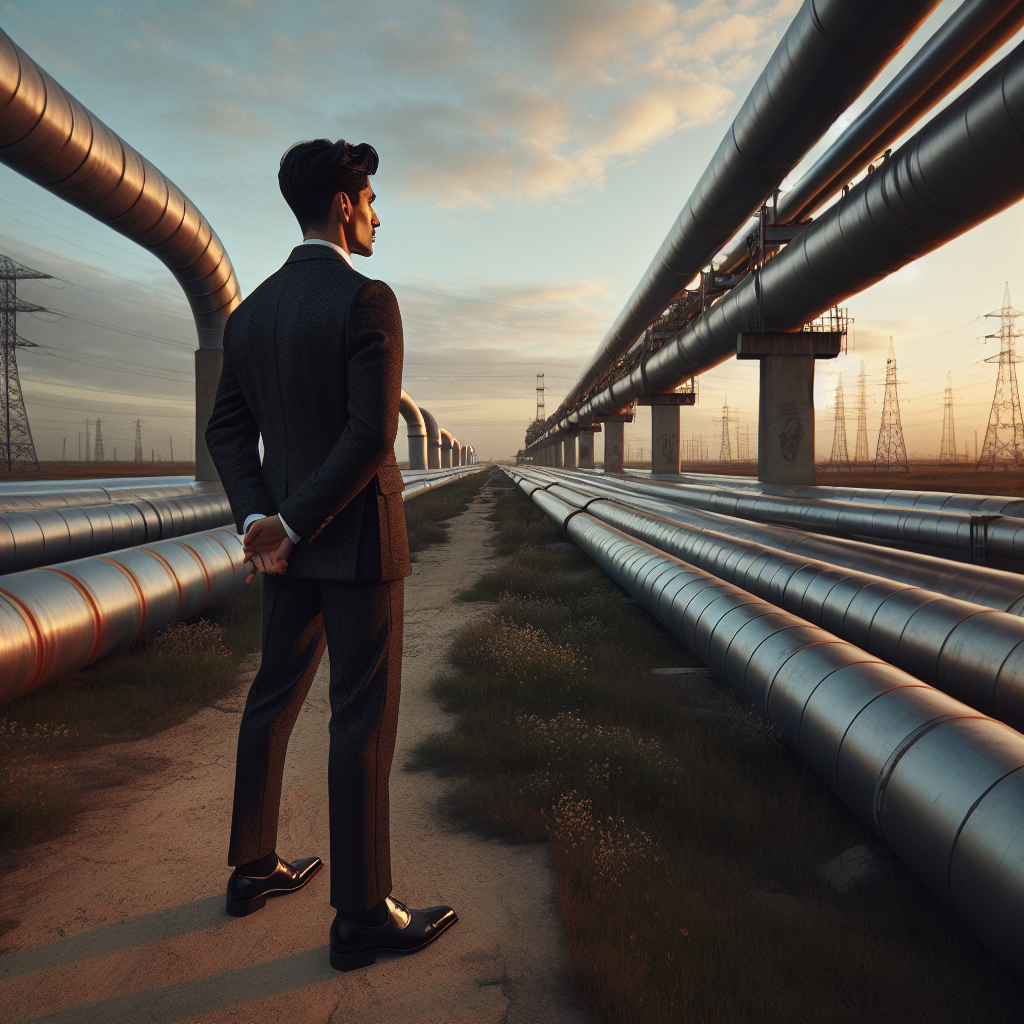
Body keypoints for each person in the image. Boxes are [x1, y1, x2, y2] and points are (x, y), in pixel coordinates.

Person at [205, 138, 457, 972]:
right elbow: (369, 437)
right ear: (345, 206)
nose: (380, 214)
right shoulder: (366, 300)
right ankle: (361, 913)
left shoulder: (250, 317)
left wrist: (259, 523)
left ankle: (250, 868)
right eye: (373, 200)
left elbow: (227, 436)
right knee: (359, 717)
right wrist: (290, 525)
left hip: (284, 550)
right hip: (353, 546)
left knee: (271, 699)